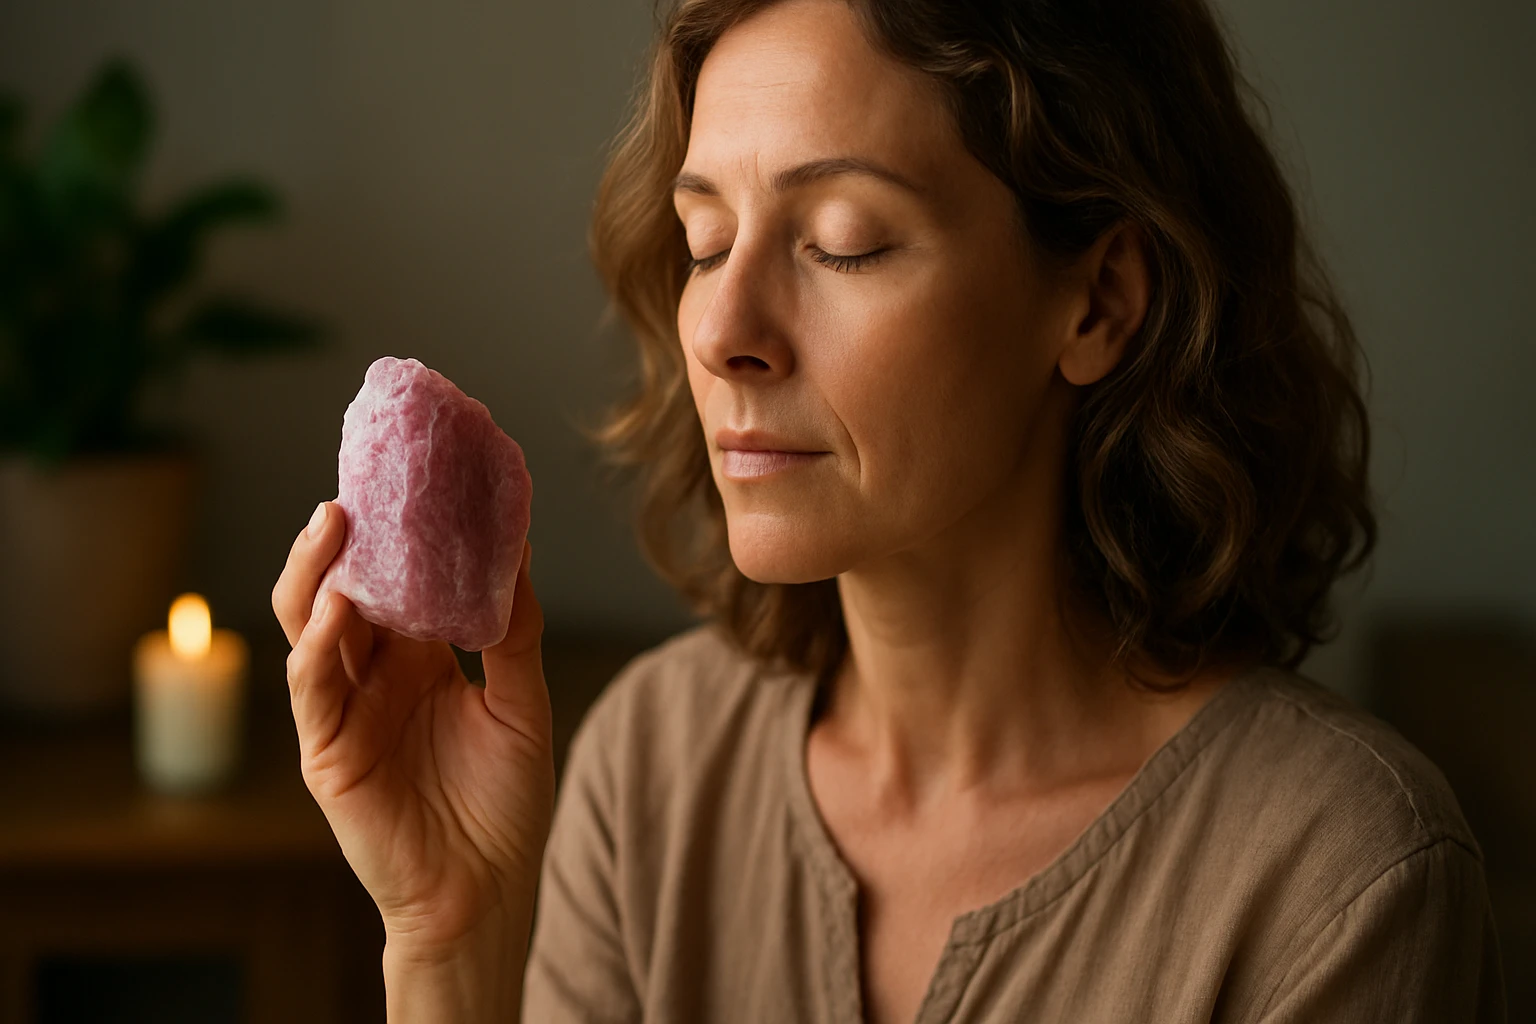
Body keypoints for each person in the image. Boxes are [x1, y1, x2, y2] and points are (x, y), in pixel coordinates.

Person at [272, 0, 1507, 1020]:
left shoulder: (1341, 878)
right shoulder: (652, 768)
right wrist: (450, 941)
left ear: (1100, 302)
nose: (721, 328)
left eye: (844, 242)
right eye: (704, 241)